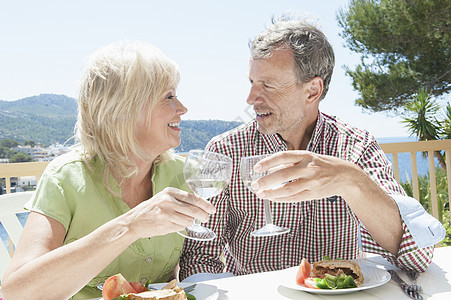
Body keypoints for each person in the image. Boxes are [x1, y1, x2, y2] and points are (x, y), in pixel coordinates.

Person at [179, 15, 445, 281]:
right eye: (252, 82)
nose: (250, 99)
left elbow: (416, 259)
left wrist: (350, 180)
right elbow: (200, 257)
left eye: (268, 85)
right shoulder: (226, 151)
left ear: (312, 91)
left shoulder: (356, 147)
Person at [1, 41, 215, 299]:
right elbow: (16, 293)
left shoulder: (181, 174)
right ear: (124, 110)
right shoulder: (66, 178)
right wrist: (130, 226)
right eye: (168, 97)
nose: (182, 108)